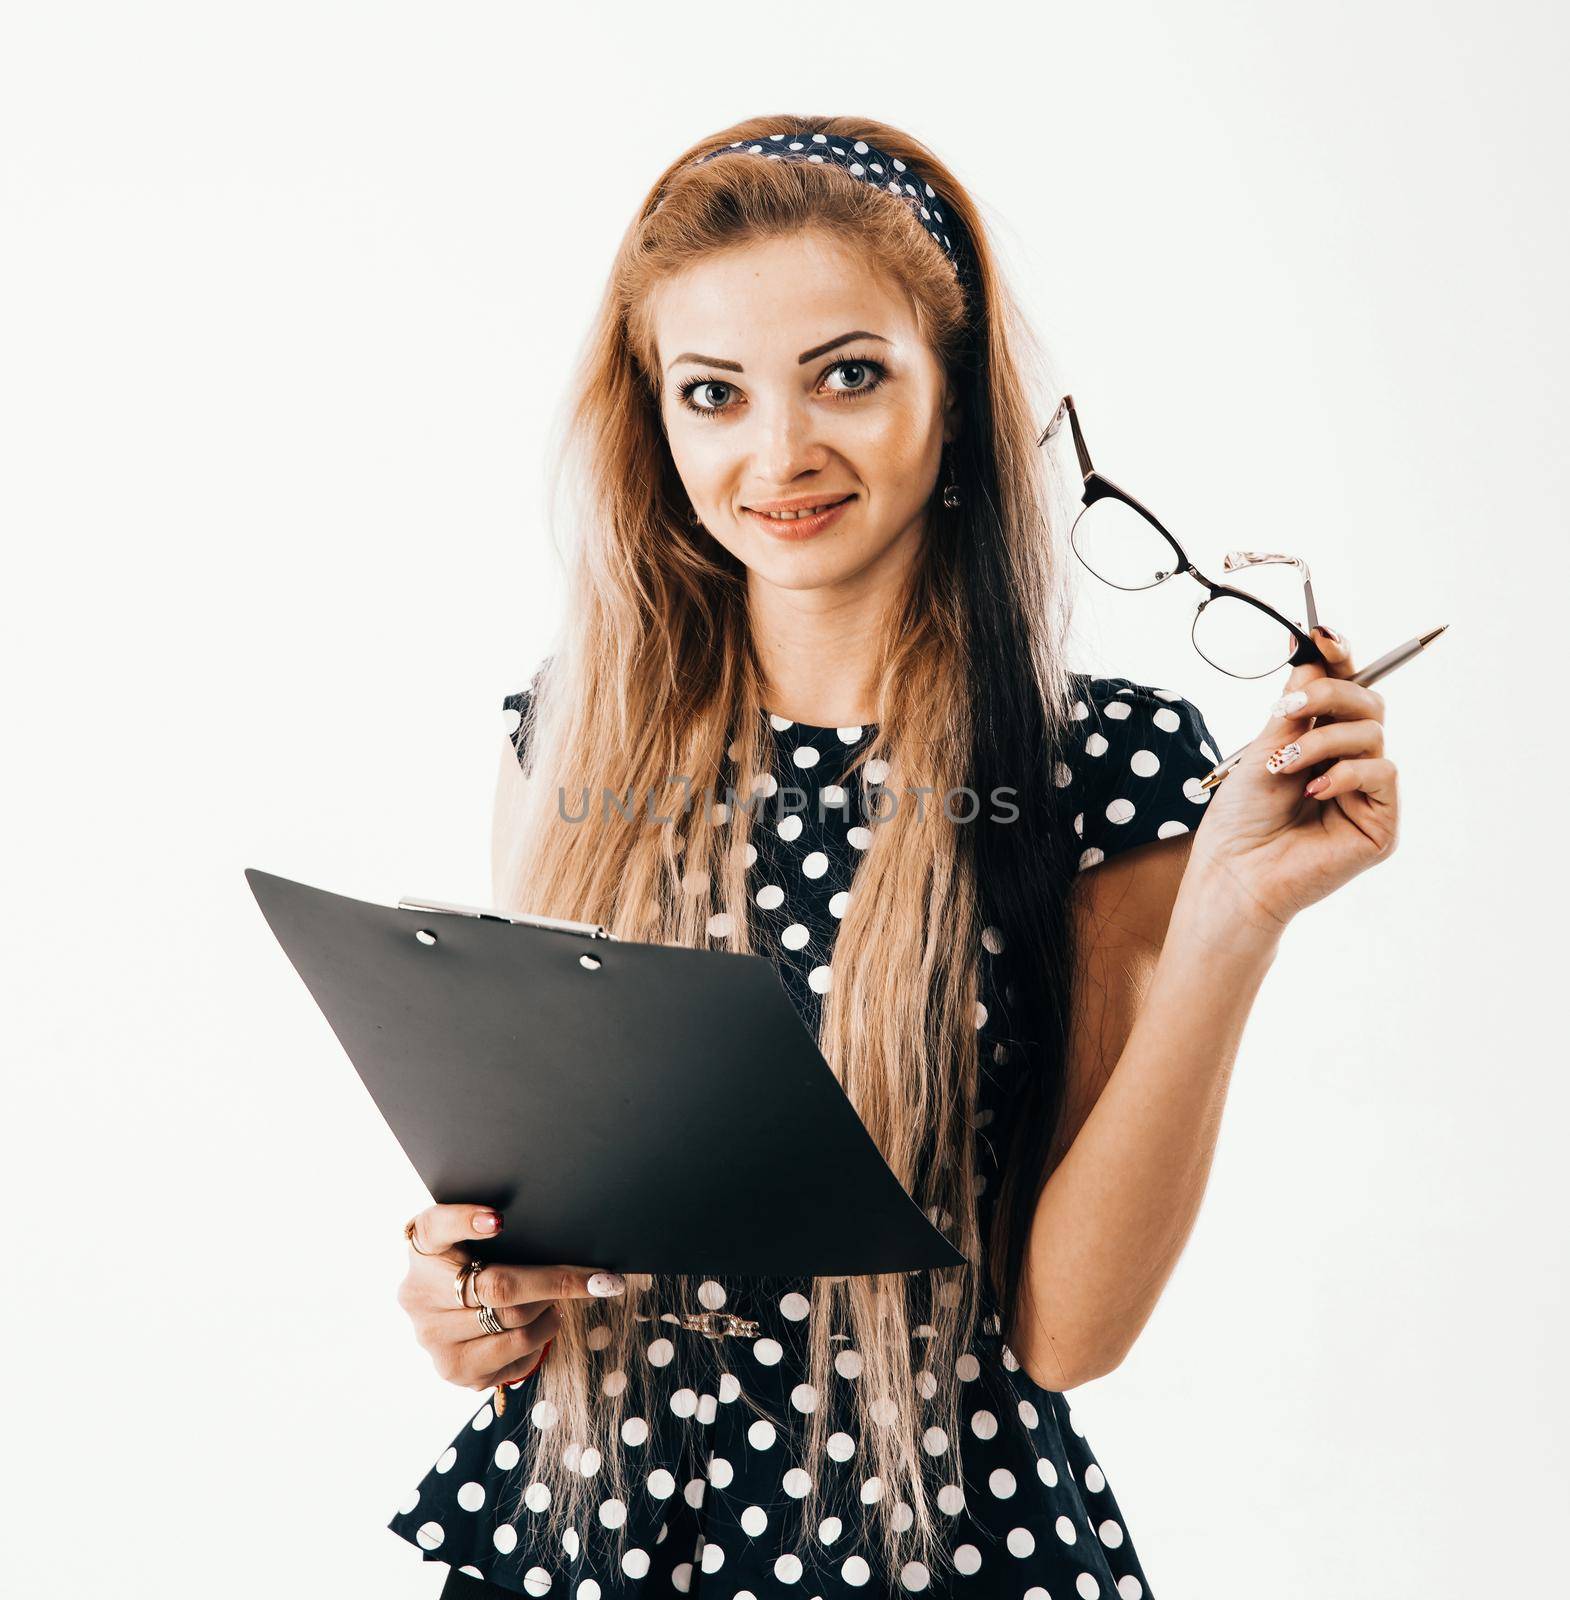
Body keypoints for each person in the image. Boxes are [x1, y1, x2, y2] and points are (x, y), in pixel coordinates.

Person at [387, 117, 1399, 1599]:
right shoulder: (565, 737)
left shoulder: (1097, 769)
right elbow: (531, 1233)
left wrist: (1232, 920)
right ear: (656, 424)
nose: (778, 454)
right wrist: (465, 1296)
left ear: (951, 392)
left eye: (847, 375)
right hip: (585, 1536)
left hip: (932, 1545)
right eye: (713, 394)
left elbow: (1069, 1333)